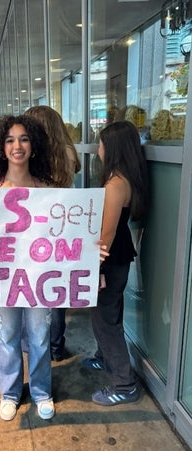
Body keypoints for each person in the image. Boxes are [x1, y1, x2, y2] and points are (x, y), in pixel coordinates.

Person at [0, 114, 56, 421]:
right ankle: (9, 392)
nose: (17, 145)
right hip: (4, 277)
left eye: (24, 138)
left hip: (38, 277)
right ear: (1, 147)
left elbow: (62, 232)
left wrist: (88, 247)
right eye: (10, 139)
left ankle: (41, 391)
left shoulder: (49, 188)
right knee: (7, 334)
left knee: (39, 336)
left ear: (33, 146)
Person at [83, 120, 148, 406]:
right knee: (111, 315)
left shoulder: (115, 184)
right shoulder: (128, 178)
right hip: (120, 258)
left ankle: (125, 385)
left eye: (100, 143)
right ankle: (104, 358)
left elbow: (104, 237)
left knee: (104, 321)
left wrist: (96, 270)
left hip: (110, 261)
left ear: (112, 148)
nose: (97, 148)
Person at [24, 105, 81, 361]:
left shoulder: (38, 156)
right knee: (56, 288)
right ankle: (56, 345)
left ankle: (40, 344)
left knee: (37, 286)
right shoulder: (67, 153)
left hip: (37, 227)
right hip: (62, 228)